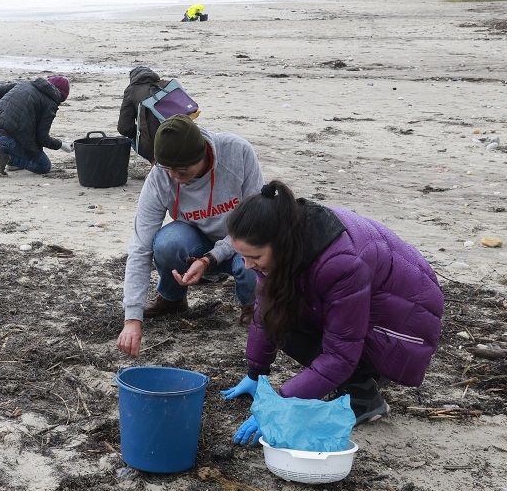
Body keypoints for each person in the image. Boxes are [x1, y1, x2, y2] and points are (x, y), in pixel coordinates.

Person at [220, 180, 444, 435]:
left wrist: (281, 403)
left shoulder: (340, 263)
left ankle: (363, 397)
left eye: (255, 257)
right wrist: (256, 371)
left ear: (281, 243)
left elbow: (340, 353)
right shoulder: (285, 241)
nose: (248, 266)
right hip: (371, 305)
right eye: (243, 256)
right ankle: (360, 379)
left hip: (406, 324)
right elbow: (266, 308)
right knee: (281, 317)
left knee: (304, 331)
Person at [117, 115, 264, 357]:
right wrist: (133, 317)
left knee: (253, 263)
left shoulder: (237, 152)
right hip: (196, 240)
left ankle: (253, 307)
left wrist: (210, 259)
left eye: (182, 170)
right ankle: (172, 299)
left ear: (204, 155)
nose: (174, 176)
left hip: (243, 239)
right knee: (166, 243)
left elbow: (257, 222)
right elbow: (141, 246)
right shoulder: (160, 176)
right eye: (168, 169)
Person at [0, 75, 72, 176]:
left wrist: (11, 106)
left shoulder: (25, 83)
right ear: (61, 96)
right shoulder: (50, 103)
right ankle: (5, 157)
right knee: (43, 166)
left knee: (23, 146)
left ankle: (12, 161)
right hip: (7, 138)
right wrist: (62, 145)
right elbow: (42, 139)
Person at [116, 65, 170, 164]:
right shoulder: (167, 85)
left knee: (138, 136)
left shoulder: (132, 90)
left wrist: (139, 130)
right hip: (180, 136)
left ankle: (154, 162)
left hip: (152, 145)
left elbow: (124, 128)